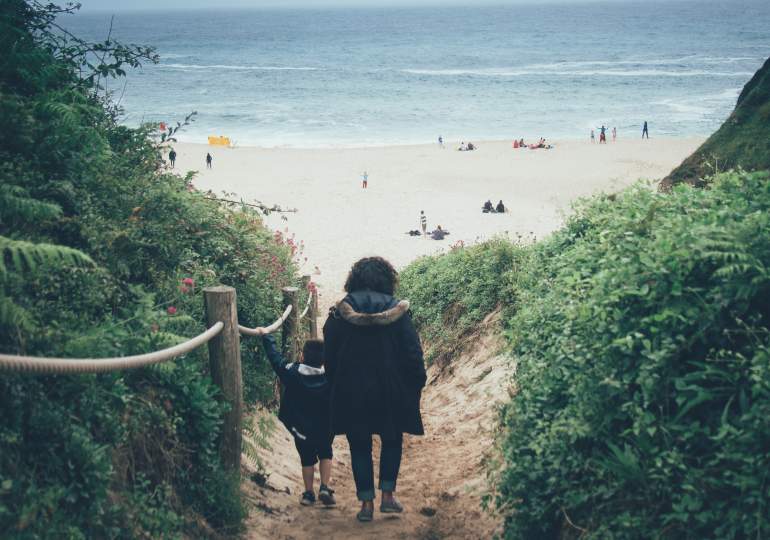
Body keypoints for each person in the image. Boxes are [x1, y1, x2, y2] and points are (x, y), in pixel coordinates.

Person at [323, 257, 426, 522]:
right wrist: (417, 381)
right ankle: (388, 497)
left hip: (351, 389)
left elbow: (329, 355)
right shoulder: (398, 312)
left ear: (354, 280)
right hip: (390, 388)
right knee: (392, 439)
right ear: (386, 279)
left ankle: (366, 504)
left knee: (359, 444)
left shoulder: (339, 313)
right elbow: (412, 352)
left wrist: (335, 385)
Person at [260, 334, 336, 507]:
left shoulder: (293, 372)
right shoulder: (330, 376)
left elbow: (276, 360)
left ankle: (309, 493)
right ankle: (324, 487)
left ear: (302, 356)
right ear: (324, 360)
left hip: (301, 429)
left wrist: (266, 338)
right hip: (325, 429)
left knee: (307, 458)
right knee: (326, 452)